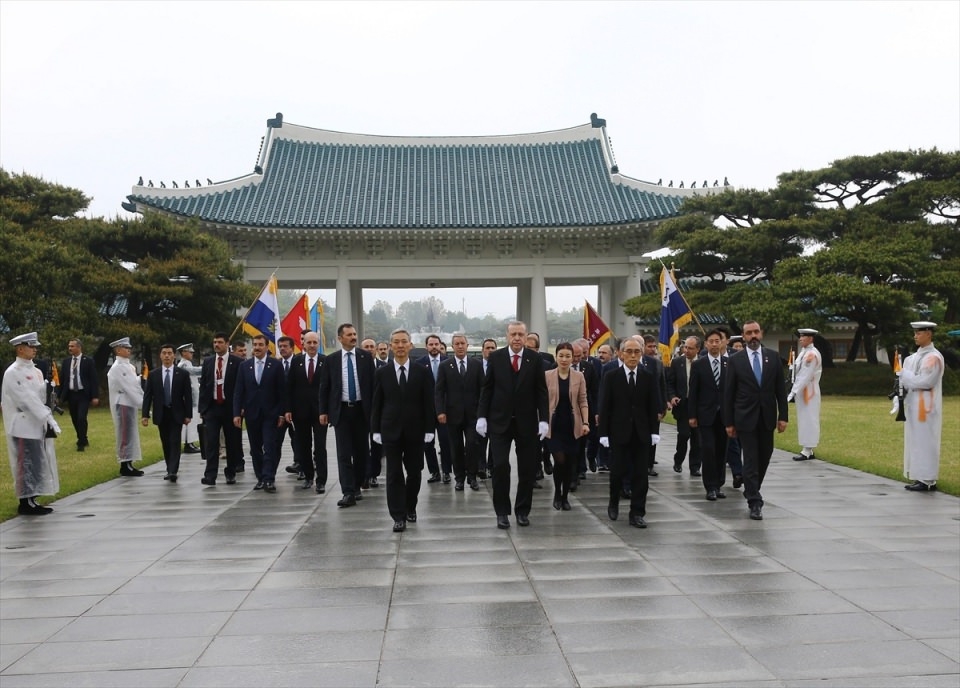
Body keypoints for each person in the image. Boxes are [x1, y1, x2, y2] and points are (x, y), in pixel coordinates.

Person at [477, 321, 549, 529]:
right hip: (499, 421)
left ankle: (522, 510)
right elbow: (487, 389)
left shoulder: (534, 359)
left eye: (520, 334)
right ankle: (502, 511)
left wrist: (543, 419)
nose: (517, 338)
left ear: (526, 337)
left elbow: (541, 391)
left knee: (527, 469)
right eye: (513, 334)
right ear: (507, 336)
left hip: (527, 423)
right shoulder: (496, 357)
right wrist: (482, 416)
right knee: (500, 466)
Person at [370, 329, 436, 532]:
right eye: (396, 342)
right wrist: (376, 430)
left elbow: (428, 402)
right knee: (394, 474)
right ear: (390, 346)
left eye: (404, 342)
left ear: (410, 345)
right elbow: (377, 403)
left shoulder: (422, 371)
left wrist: (429, 428)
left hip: (416, 431)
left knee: (415, 473)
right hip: (390, 430)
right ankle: (398, 515)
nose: (400, 346)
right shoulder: (382, 373)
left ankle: (410, 506)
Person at [723, 320, 788, 520]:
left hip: (767, 416)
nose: (753, 336)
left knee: (764, 456)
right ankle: (754, 501)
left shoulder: (773, 357)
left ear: (761, 334)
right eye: (748, 333)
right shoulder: (736, 360)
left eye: (756, 332)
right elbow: (728, 393)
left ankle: (752, 488)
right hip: (745, 417)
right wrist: (729, 422)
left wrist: (783, 416)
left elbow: (780, 390)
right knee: (750, 459)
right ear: (743, 336)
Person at [598, 338, 659, 528]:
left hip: (641, 433)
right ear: (621, 353)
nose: (633, 356)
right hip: (619, 432)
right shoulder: (611, 376)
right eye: (629, 352)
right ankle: (613, 501)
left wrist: (654, 432)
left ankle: (637, 512)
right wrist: (603, 434)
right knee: (617, 472)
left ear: (641, 354)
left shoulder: (648, 376)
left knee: (641, 475)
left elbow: (653, 406)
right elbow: (604, 406)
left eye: (636, 352)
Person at [3, 332, 60, 515]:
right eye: (31, 346)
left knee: (36, 461)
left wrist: (48, 387)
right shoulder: (13, 372)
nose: (34, 349)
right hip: (22, 423)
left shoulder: (35, 371)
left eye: (35, 347)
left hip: (35, 423)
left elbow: (39, 397)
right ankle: (24, 501)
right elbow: (25, 400)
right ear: (20, 348)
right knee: (24, 462)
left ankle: (33, 497)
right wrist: (48, 417)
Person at [319, 323, 375, 508]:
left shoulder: (365, 357)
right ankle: (348, 491)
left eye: (354, 334)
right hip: (341, 411)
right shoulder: (332, 360)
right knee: (344, 454)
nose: (353, 337)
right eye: (349, 335)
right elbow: (325, 388)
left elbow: (373, 386)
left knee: (361, 452)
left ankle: (358, 484)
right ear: (340, 338)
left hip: (361, 411)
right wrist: (323, 411)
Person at [234, 334, 286, 492]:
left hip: (270, 414)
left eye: (260, 345)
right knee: (255, 448)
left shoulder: (275, 365)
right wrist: (237, 413)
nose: (256, 347)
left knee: (270, 446)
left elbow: (281, 392)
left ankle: (269, 478)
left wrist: (281, 413)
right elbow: (239, 391)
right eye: (254, 344)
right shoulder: (245, 366)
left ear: (266, 347)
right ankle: (260, 477)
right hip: (251, 414)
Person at [544, 342, 590, 511]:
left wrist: (585, 422)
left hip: (573, 425)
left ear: (573, 358)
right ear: (556, 357)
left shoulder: (579, 376)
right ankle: (557, 493)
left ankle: (565, 497)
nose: (564, 359)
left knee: (570, 463)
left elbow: (583, 401)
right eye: (561, 356)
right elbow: (541, 401)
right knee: (559, 460)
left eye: (567, 356)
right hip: (554, 426)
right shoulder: (547, 375)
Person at [435, 333, 484, 491]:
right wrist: (440, 411)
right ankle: (459, 478)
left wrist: (482, 412)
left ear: (467, 346)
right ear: (452, 347)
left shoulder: (476, 365)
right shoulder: (445, 366)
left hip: (473, 415)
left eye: (463, 343)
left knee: (472, 445)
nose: (460, 346)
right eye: (457, 344)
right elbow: (439, 391)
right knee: (455, 447)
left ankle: (472, 476)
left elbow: (483, 389)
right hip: (452, 414)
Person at [900, 321, 945, 491]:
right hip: (913, 403)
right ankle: (919, 476)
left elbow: (926, 382)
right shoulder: (913, 358)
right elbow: (905, 381)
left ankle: (928, 479)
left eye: (919, 333)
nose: (915, 336)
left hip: (926, 405)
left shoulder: (933, 357)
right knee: (915, 441)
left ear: (928, 334)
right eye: (915, 333)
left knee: (926, 441)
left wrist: (905, 375)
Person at [688, 329, 729, 501]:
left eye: (717, 341)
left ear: (722, 343)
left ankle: (719, 484)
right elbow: (693, 392)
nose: (714, 344)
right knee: (708, 450)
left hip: (725, 416)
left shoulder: (729, 363)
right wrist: (692, 415)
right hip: (705, 415)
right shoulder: (699, 365)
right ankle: (710, 487)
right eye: (711, 341)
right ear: (705, 344)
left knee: (722, 450)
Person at [141, 343, 193, 482]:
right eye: (164, 353)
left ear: (174, 356)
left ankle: (173, 470)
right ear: (160, 355)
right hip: (161, 413)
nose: (167, 356)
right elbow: (148, 395)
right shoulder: (154, 374)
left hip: (177, 413)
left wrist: (188, 414)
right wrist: (145, 415)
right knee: (166, 442)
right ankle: (169, 466)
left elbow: (187, 396)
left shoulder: (182, 374)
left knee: (175, 441)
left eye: (170, 353)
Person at [285, 331, 328, 492]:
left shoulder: (326, 361)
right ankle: (308, 477)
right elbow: (289, 387)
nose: (311, 346)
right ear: (303, 344)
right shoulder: (296, 362)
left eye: (314, 343)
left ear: (318, 344)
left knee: (320, 447)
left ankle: (321, 480)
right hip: (300, 412)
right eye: (308, 343)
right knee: (303, 446)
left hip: (320, 413)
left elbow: (329, 387)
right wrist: (288, 409)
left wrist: (327, 409)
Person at [198, 332, 244, 486]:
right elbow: (204, 386)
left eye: (219, 342)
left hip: (230, 407)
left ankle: (230, 472)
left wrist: (240, 408)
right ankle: (210, 475)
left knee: (232, 442)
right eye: (214, 342)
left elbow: (241, 386)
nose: (216, 345)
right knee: (211, 442)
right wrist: (202, 409)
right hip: (212, 407)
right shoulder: (209, 362)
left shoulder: (237, 362)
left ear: (227, 343)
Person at [107, 337, 145, 477]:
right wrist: (143, 404)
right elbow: (128, 387)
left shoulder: (129, 366)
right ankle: (124, 463)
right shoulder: (117, 367)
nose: (129, 350)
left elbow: (134, 385)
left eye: (129, 347)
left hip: (130, 402)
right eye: (125, 347)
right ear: (118, 350)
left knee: (130, 433)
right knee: (124, 434)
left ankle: (129, 462)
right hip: (123, 402)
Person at [417, 334, 452, 484]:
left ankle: (446, 472)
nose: (434, 347)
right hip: (426, 412)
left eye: (436, 344)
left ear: (440, 345)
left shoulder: (448, 362)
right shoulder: (419, 364)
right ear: (426, 347)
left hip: (444, 410)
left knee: (445, 442)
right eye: (430, 344)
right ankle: (434, 472)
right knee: (427, 443)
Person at [667, 336, 701, 475]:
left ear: (698, 349)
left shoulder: (703, 362)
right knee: (684, 434)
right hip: (683, 405)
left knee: (697, 438)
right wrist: (672, 396)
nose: (686, 350)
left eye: (690, 348)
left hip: (699, 406)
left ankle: (695, 467)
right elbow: (670, 383)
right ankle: (678, 460)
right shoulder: (677, 362)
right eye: (685, 347)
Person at [58, 337, 99, 452]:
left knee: (81, 418)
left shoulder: (88, 361)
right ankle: (82, 438)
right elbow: (62, 379)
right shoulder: (66, 362)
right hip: (71, 394)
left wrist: (95, 396)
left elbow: (93, 379)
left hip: (83, 394)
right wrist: (59, 395)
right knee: (75, 418)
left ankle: (81, 442)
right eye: (69, 346)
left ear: (79, 347)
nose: (69, 348)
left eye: (72, 346)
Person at [788, 328, 822, 461]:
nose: (800, 339)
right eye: (800, 336)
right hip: (803, 390)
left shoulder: (811, 354)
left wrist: (793, 392)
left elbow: (804, 376)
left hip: (809, 391)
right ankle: (807, 448)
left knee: (809, 419)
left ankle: (807, 450)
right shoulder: (804, 352)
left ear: (810, 338)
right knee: (803, 418)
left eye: (803, 336)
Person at [274, 336, 298, 470]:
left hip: (296, 410)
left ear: (292, 348)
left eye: (285, 346)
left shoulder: (299, 362)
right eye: (280, 346)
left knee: (298, 441)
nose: (282, 349)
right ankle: (271, 471)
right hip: (279, 411)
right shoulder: (275, 364)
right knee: (276, 441)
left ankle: (300, 465)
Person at [476, 337, 498, 479]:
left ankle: (491, 466)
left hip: (496, 410)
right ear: (482, 350)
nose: (490, 351)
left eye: (492, 348)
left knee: (494, 440)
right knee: (480, 440)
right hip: (478, 410)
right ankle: (481, 466)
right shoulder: (475, 366)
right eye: (487, 348)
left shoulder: (500, 365)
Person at [176, 343, 202, 454]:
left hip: (193, 397)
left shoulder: (187, 363)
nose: (192, 354)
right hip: (188, 398)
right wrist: (210, 365)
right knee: (190, 422)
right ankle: (188, 443)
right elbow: (195, 371)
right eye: (190, 352)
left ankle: (190, 442)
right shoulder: (184, 365)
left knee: (193, 421)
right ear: (184, 353)